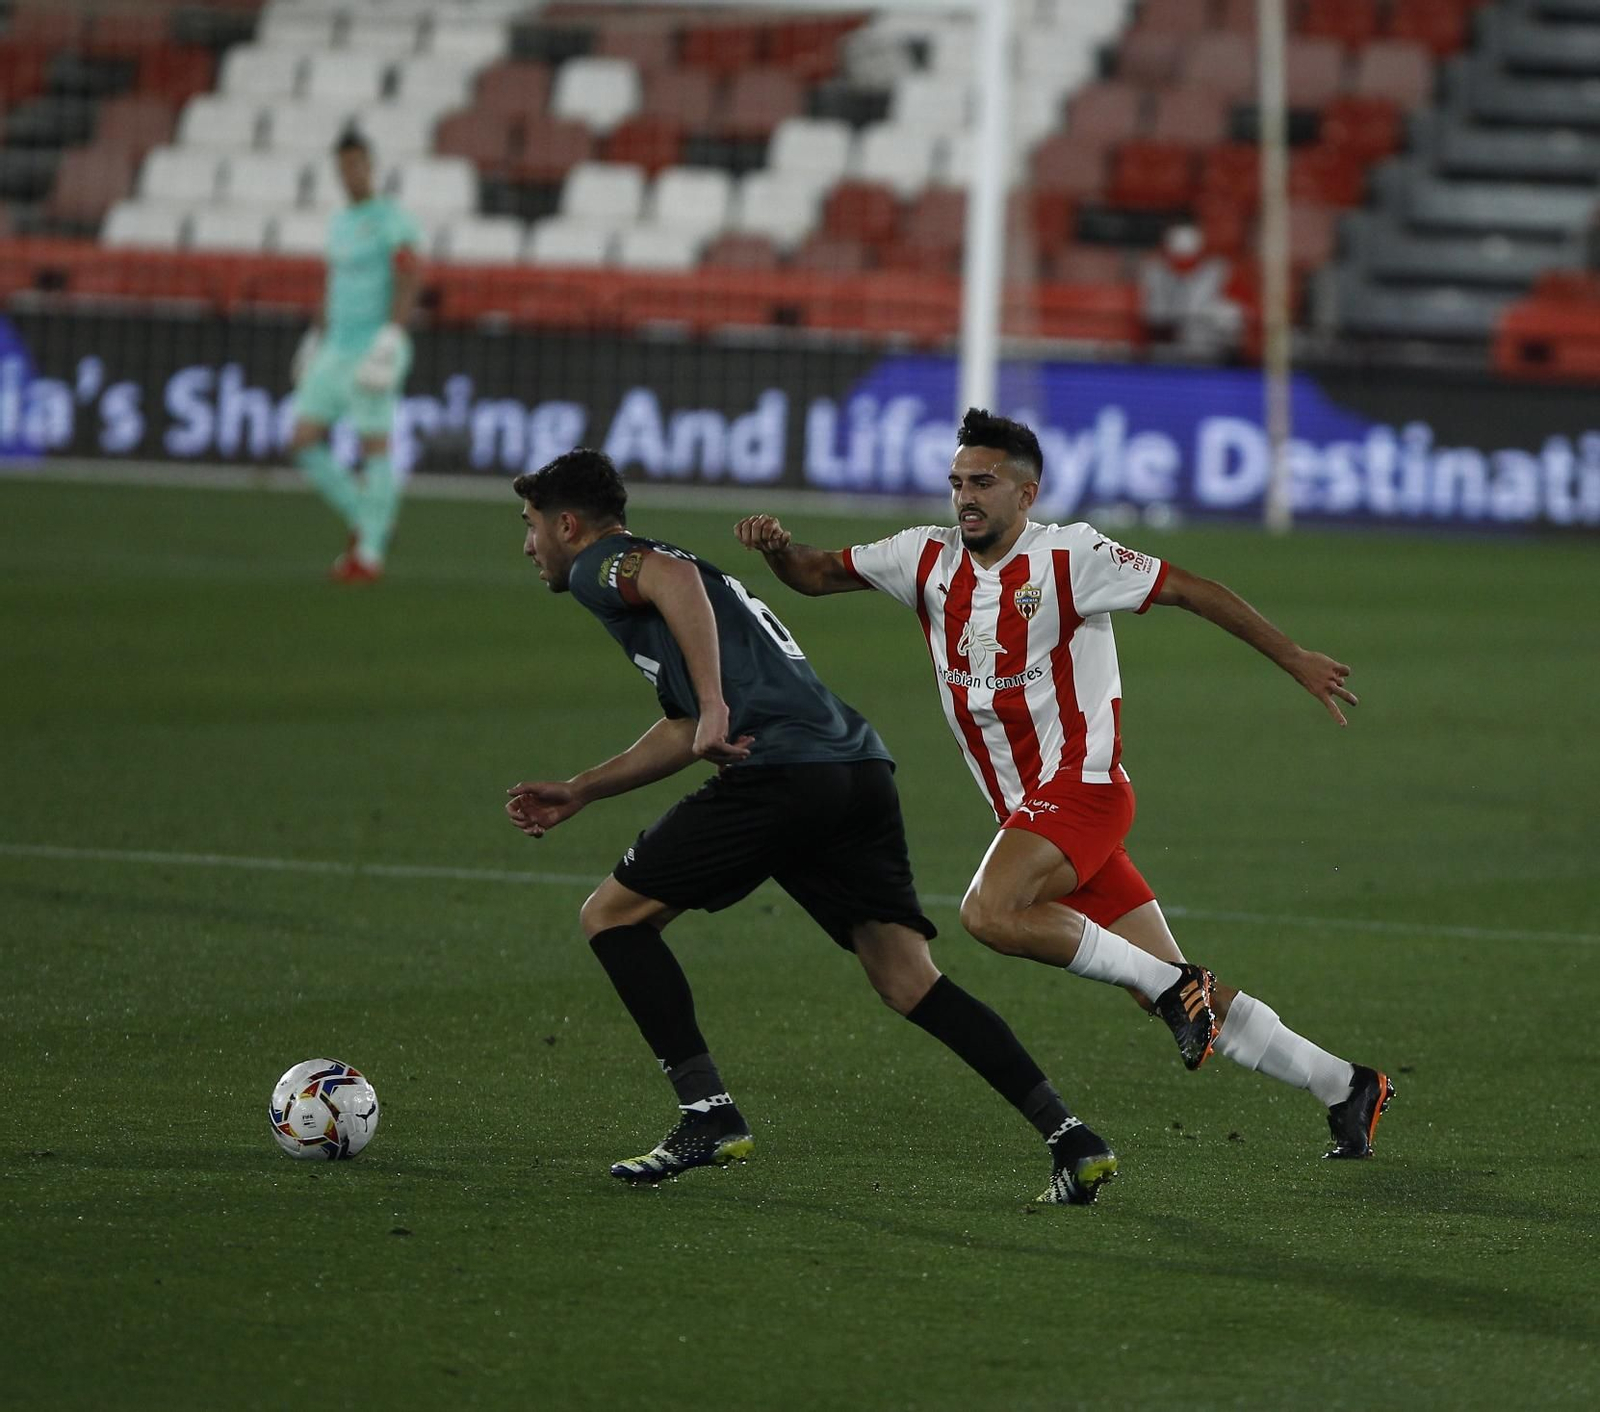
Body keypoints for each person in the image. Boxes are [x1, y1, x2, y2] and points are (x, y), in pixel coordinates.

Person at [734, 408, 1395, 1160]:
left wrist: (1294, 656)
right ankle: (1343, 1083)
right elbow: (815, 576)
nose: (965, 498)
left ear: (1027, 493)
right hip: (1033, 817)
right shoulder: (923, 558)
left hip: (1083, 790)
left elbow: (1193, 589)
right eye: (956, 483)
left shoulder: (1072, 556)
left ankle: (1185, 992)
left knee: (988, 913)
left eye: (982, 482)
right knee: (1163, 984)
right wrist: (780, 549)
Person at [504, 447, 1126, 1205]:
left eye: (531, 525)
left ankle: (708, 1114)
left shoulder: (601, 565)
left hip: (781, 774)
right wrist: (581, 789)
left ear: (568, 524)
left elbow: (678, 597)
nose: (528, 543)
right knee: (906, 979)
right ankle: (1070, 1137)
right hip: (854, 771)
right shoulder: (655, 563)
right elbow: (682, 725)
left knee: (611, 916)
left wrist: (716, 709)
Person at [287, 128, 422, 583]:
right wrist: (314, 338)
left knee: (374, 446)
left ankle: (368, 554)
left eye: (357, 164)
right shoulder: (339, 223)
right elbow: (333, 285)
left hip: (374, 347)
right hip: (335, 347)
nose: (350, 174)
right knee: (302, 439)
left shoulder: (393, 219)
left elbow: (408, 279)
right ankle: (370, 517)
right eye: (343, 166)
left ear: (371, 165)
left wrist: (390, 338)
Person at [1138, 223, 1244, 357]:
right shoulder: (1154, 273)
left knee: (1228, 312)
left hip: (1211, 349)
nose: (1183, 266)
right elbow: (1154, 317)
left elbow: (1234, 317)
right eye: (1178, 259)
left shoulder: (1219, 271)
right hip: (1169, 350)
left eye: (1189, 260)